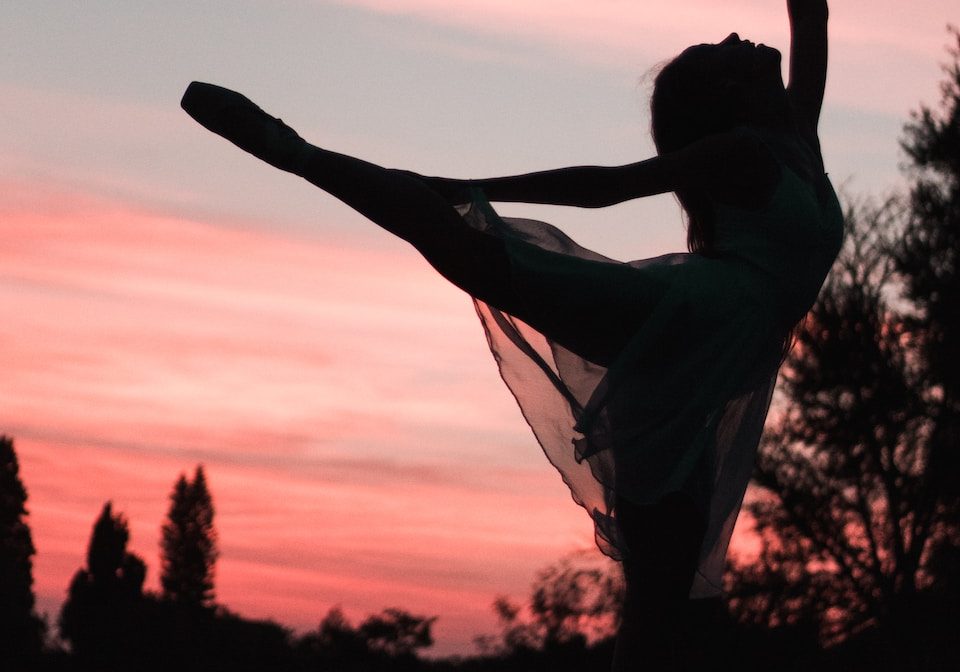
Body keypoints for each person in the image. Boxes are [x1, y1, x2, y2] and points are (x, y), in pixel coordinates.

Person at [181, 0, 838, 668]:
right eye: (716, 49)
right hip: (686, 318)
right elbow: (601, 188)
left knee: (662, 603)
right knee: (484, 258)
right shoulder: (744, 152)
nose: (732, 34)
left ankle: (337, 168)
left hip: (709, 356)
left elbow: (811, 21)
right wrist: (463, 188)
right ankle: (296, 153)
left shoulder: (793, 139)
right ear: (729, 92)